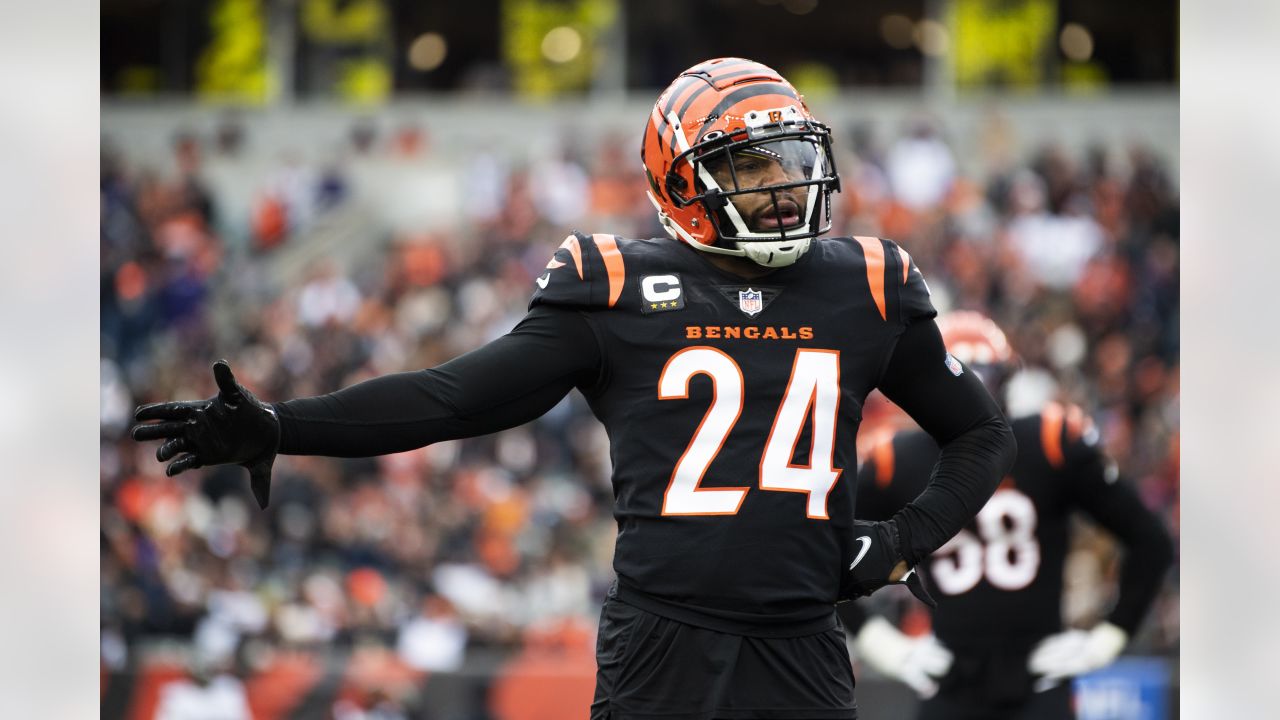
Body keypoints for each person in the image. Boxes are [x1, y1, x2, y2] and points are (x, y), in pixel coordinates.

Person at [133, 58, 1016, 720]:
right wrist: (285, 427)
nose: (783, 188)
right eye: (751, 168)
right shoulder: (614, 283)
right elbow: (451, 398)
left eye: (788, 161)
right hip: (661, 645)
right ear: (682, 180)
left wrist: (902, 539)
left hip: (804, 647)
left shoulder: (863, 284)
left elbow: (983, 434)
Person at [839, 311, 1173, 720]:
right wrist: (882, 644)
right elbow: (822, 547)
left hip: (1036, 675)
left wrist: (1109, 636)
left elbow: (1149, 540)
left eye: (983, 377)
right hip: (951, 677)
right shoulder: (897, 460)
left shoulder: (1050, 443)